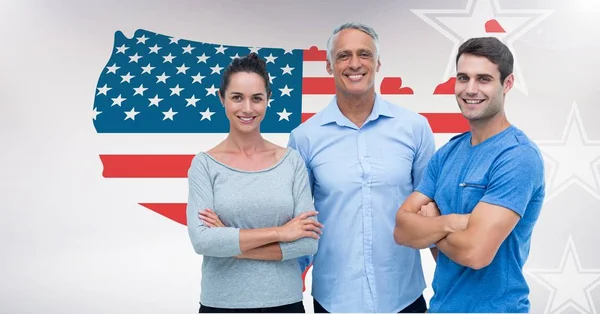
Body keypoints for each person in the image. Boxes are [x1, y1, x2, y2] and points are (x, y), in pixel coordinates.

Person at [288, 22, 436, 313]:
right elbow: (300, 221)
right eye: (343, 56)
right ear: (329, 66)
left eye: (364, 54)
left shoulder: (415, 128)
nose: (354, 64)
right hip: (334, 299)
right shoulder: (304, 137)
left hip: (403, 297)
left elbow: (431, 209)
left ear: (378, 62)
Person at [393, 37, 545, 313]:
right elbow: (402, 230)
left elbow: (475, 253)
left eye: (484, 79)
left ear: (507, 84)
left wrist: (430, 226)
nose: (470, 89)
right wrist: (451, 222)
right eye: (463, 77)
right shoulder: (447, 154)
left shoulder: (517, 157)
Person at [185, 53, 322, 313]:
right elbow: (203, 241)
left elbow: (307, 242)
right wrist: (280, 233)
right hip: (221, 305)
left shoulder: (291, 162)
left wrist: (232, 246)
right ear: (222, 98)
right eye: (237, 97)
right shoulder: (204, 165)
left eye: (256, 98)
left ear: (268, 100)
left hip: (285, 304)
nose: (247, 108)